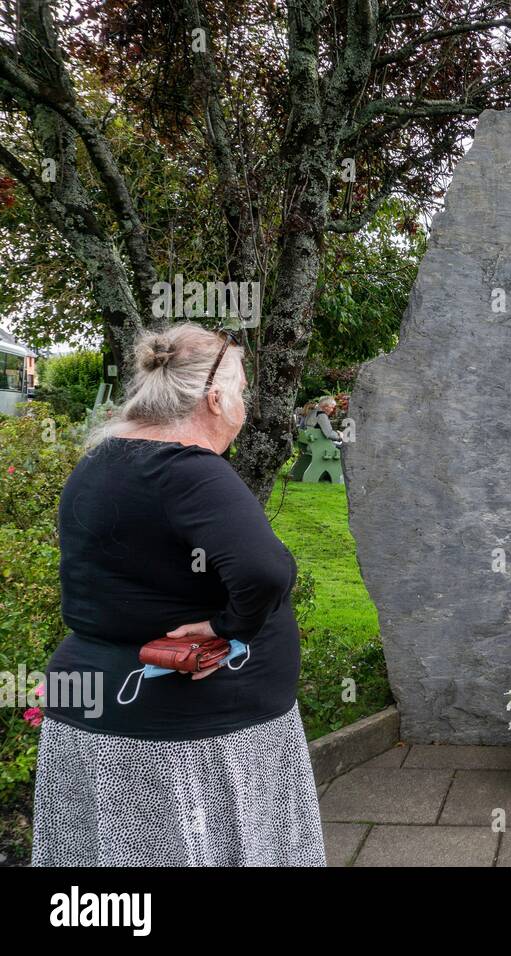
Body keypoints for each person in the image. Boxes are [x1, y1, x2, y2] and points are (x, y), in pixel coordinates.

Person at [32, 322, 326, 866]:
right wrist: (225, 630)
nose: (244, 402)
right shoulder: (187, 469)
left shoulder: (103, 459)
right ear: (214, 399)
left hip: (98, 721)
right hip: (189, 746)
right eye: (240, 389)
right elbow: (263, 573)